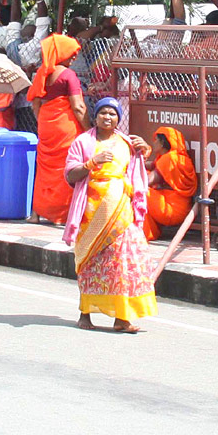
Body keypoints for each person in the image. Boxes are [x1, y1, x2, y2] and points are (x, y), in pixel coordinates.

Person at [63, 98, 157, 333]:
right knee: (89, 261)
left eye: (112, 114)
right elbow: (70, 175)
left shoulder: (127, 142)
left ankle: (121, 318)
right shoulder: (83, 142)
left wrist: (145, 149)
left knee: (122, 262)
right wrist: (90, 164)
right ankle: (85, 314)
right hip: (91, 212)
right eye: (103, 113)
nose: (108, 117)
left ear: (118, 119)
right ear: (95, 117)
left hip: (122, 211)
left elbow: (141, 164)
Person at [28, 34, 88, 224]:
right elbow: (78, 107)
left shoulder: (42, 73)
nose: (74, 57)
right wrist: (90, 130)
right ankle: (60, 215)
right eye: (71, 53)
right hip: (65, 126)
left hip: (46, 124)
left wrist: (42, 122)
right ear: (61, 52)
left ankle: (36, 213)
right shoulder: (69, 75)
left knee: (44, 168)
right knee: (67, 167)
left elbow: (35, 104)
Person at [143, 126, 198, 241]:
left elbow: (146, 182)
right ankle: (149, 231)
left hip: (171, 210)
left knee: (138, 190)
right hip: (180, 209)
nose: (153, 142)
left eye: (156, 140)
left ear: (162, 142)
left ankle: (146, 232)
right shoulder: (175, 158)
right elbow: (150, 166)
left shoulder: (168, 159)